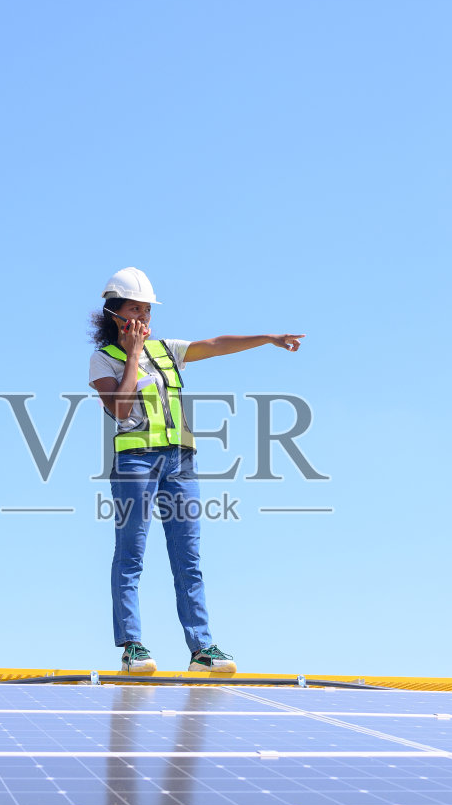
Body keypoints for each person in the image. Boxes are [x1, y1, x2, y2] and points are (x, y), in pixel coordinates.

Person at [87, 267, 305, 674]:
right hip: (136, 462)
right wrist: (133, 354)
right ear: (114, 314)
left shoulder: (169, 350)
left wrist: (268, 339)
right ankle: (132, 646)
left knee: (188, 558)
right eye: (135, 310)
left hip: (181, 463)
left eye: (147, 311)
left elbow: (216, 345)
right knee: (131, 554)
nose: (144, 319)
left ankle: (202, 649)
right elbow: (118, 409)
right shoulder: (103, 359)